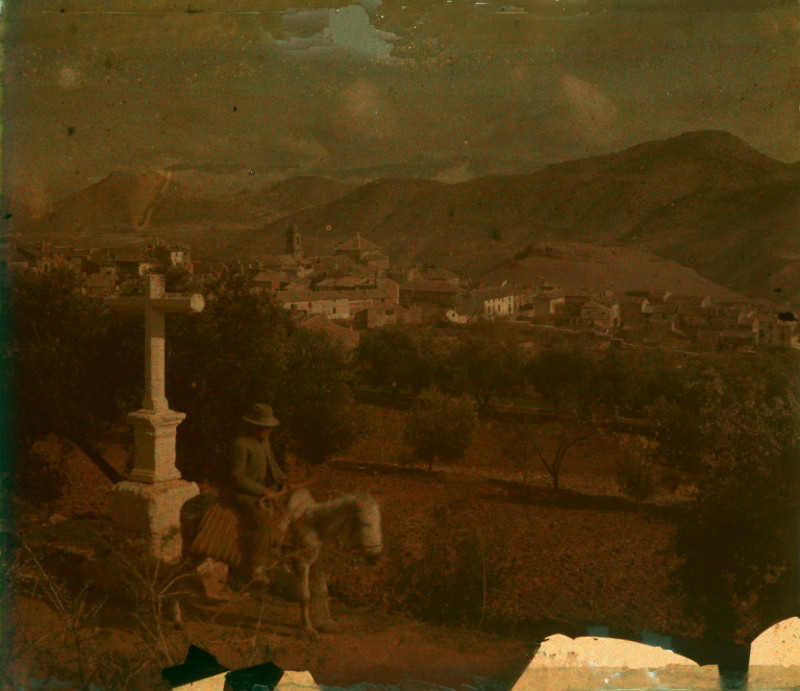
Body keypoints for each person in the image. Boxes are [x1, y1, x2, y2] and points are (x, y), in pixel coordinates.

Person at [231, 403, 290, 581]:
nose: (267, 430)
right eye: (263, 426)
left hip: (265, 492)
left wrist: (284, 479)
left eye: (268, 427)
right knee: (262, 518)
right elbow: (237, 478)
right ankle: (255, 567)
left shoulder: (264, 442)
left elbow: (273, 465)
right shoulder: (241, 444)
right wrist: (263, 490)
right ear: (252, 425)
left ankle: (277, 558)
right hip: (245, 494)